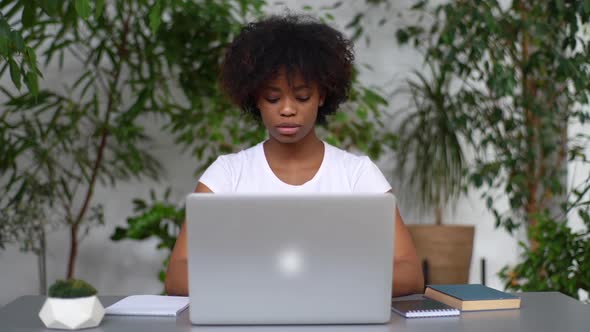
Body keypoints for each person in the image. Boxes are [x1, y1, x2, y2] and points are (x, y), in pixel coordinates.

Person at [165, 14, 424, 297]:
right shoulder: (226, 175)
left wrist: (315, 282)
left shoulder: (357, 175)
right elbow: (178, 275)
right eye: (273, 98)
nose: (287, 109)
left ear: (322, 96)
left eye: (302, 97)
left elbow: (409, 272)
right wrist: (275, 282)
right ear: (255, 98)